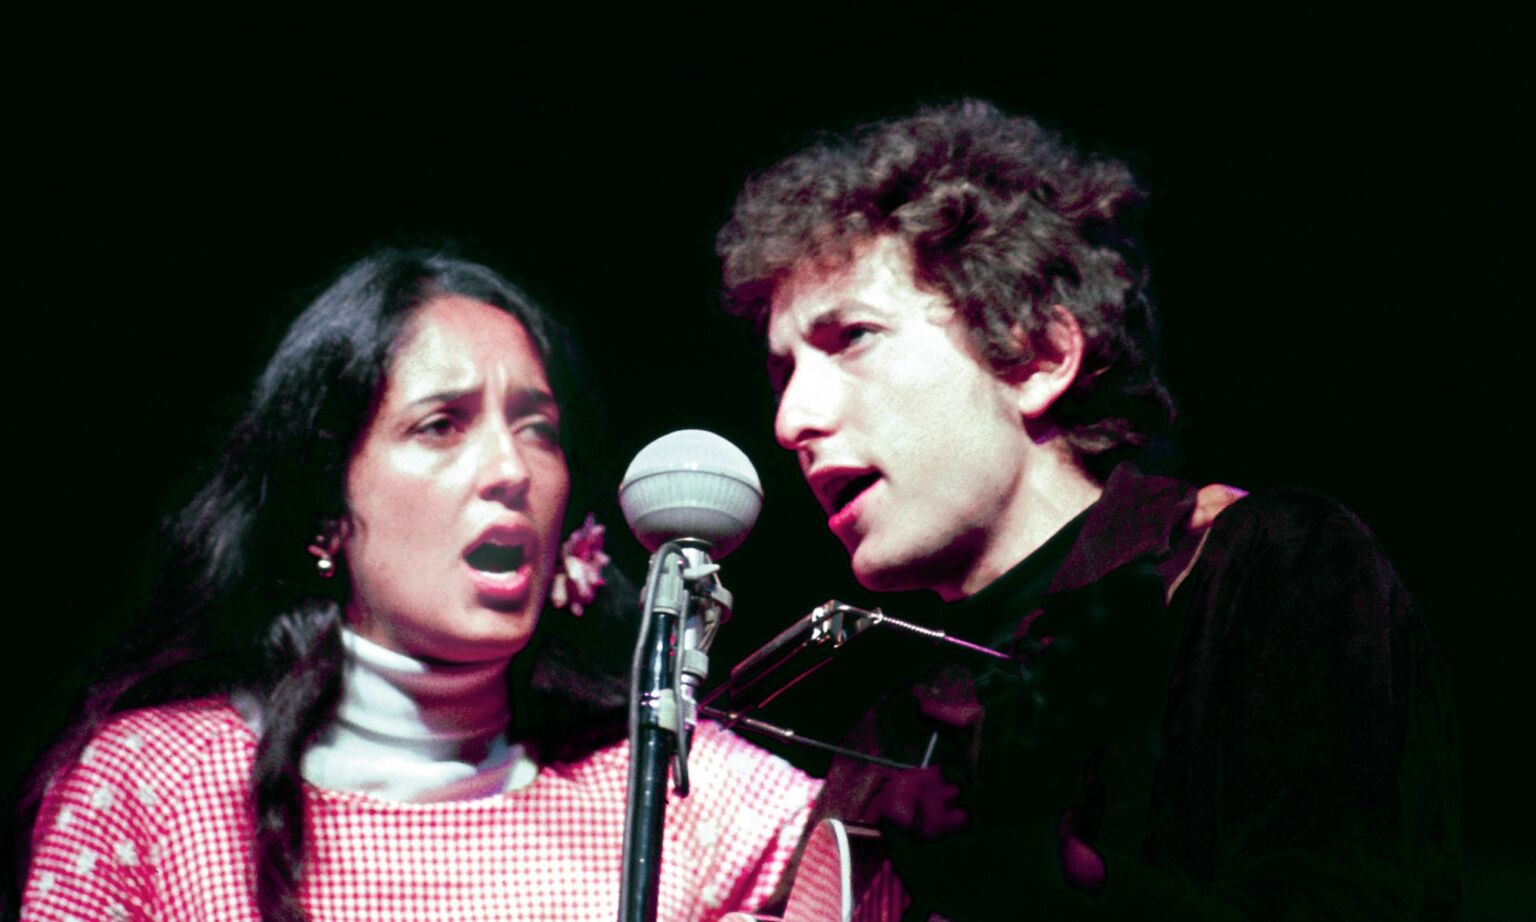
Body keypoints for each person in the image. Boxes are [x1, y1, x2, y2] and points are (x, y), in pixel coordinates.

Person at [716, 101, 1459, 919]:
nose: (792, 424)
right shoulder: (885, 740)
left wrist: (1066, 888)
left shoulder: (1264, 568)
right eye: (784, 373)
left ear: (1039, 355)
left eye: (852, 337)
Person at [12, 249, 819, 921]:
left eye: (538, 430)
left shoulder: (689, 795)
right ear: (326, 509)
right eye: (441, 425)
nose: (512, 470)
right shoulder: (159, 790)